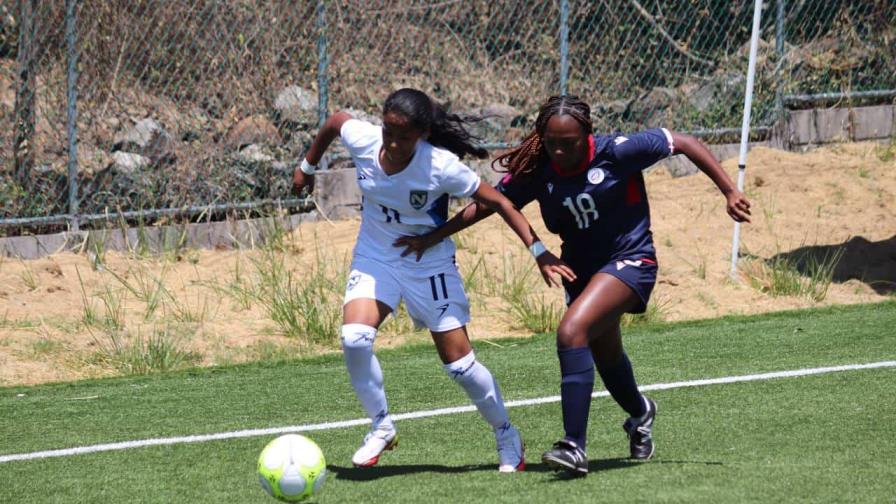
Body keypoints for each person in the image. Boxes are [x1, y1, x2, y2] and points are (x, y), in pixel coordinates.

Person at [393, 94, 752, 476]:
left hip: (632, 261)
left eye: (570, 143)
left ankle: (573, 446)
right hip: (580, 272)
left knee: (571, 332)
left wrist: (729, 191)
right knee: (606, 353)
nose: (560, 151)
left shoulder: (619, 151)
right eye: (552, 143)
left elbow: (684, 142)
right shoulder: (540, 168)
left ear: (588, 135)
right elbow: (493, 203)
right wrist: (436, 235)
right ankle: (640, 411)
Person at [292, 88, 575, 472]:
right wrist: (307, 167)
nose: (392, 143)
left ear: (422, 134)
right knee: (354, 338)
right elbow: (336, 120)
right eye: (388, 131)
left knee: (459, 365)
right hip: (376, 256)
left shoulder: (439, 166)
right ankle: (381, 426)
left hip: (428, 264)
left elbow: (500, 203)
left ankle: (506, 433)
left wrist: (539, 252)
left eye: (403, 137)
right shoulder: (365, 139)